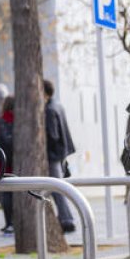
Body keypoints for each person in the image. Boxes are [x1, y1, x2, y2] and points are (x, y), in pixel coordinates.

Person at [43, 80, 77, 233]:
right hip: (61, 152)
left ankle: (67, 220)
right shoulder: (57, 105)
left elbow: (53, 135)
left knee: (57, 188)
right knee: (57, 187)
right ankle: (66, 218)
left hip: (53, 154)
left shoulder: (49, 110)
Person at [0, 95, 16, 234]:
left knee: (6, 193)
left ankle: (9, 223)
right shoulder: (20, 120)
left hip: (3, 162)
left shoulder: (0, 121)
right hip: (17, 161)